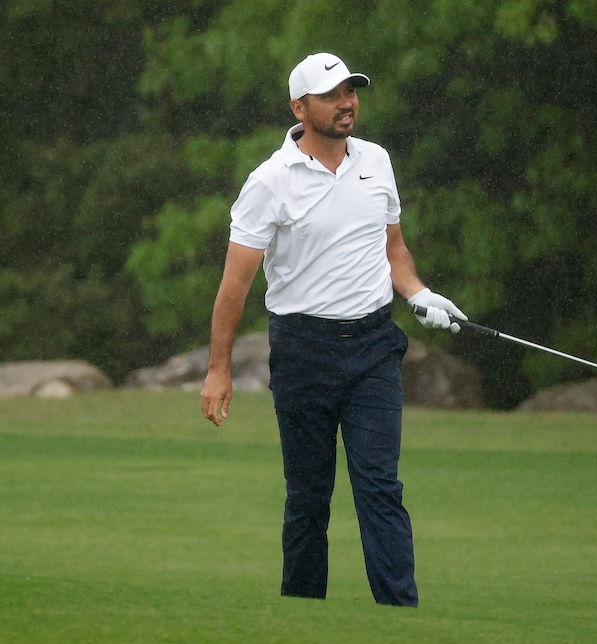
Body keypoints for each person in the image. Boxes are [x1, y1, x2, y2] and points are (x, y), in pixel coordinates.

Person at [199, 52, 466, 607]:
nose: (346, 103)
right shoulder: (270, 182)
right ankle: (303, 614)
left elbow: (392, 248)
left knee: (380, 489)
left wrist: (417, 293)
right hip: (303, 351)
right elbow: (235, 285)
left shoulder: (377, 162)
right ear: (300, 107)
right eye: (331, 95)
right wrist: (218, 369)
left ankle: (399, 614)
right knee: (309, 497)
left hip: (373, 346)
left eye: (350, 91)